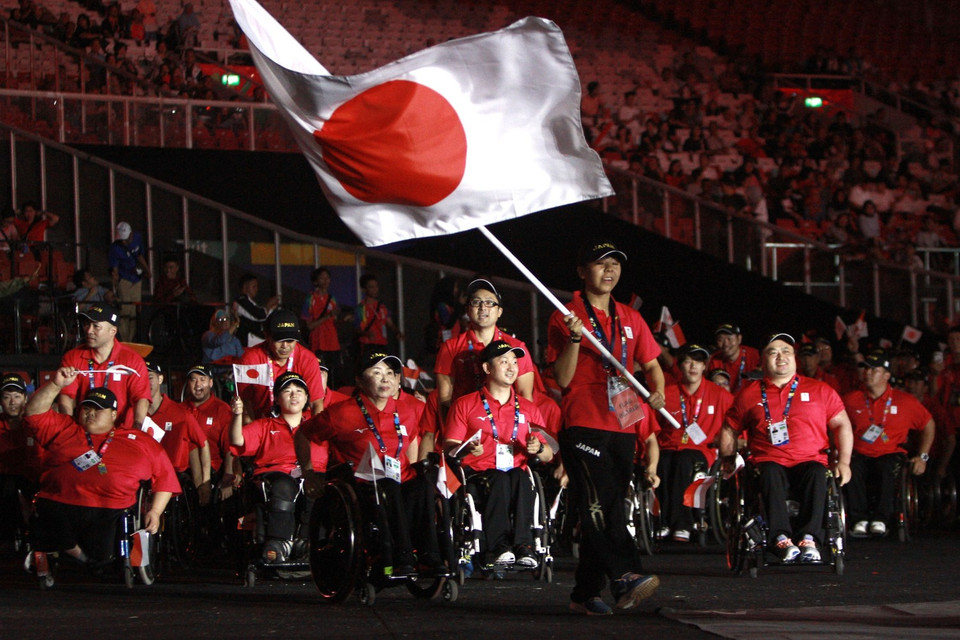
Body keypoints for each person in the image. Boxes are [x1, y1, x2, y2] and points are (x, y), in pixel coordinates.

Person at [547, 239, 664, 615]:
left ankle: (584, 594)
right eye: (600, 263)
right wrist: (577, 338)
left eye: (615, 263)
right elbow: (563, 378)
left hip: (624, 420)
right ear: (583, 272)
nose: (610, 270)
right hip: (584, 420)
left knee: (613, 505)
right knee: (597, 503)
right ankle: (625, 573)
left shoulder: (630, 316)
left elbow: (653, 365)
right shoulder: (565, 315)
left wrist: (658, 393)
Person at [296, 352, 439, 574]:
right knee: (388, 486)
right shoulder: (341, 413)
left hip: (400, 479)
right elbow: (303, 434)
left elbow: (411, 441)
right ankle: (400, 556)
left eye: (390, 373)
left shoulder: (409, 409)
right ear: (360, 381)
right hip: (361, 485)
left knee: (424, 484)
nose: (385, 379)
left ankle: (430, 554)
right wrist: (309, 472)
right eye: (376, 372)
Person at [719, 333, 853, 564]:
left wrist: (844, 462)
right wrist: (729, 458)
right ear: (762, 360)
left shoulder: (820, 390)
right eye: (773, 352)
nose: (781, 357)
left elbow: (842, 424)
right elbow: (729, 428)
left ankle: (809, 538)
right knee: (769, 471)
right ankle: (780, 538)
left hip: (809, 460)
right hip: (768, 461)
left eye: (786, 352)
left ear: (795, 359)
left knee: (817, 472)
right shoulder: (749, 393)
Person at [24, 375, 178, 568]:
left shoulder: (139, 440)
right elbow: (33, 412)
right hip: (59, 502)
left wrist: (155, 512)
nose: (90, 414)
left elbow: (165, 478)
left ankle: (74, 552)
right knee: (43, 509)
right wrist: (56, 384)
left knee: (102, 558)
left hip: (108, 509)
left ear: (114, 414)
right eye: (87, 409)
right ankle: (71, 550)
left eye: (98, 409)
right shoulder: (65, 429)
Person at [444, 341, 553, 568]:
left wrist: (539, 449)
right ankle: (499, 546)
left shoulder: (528, 408)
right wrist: (467, 448)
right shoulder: (465, 404)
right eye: (504, 362)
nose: (512, 367)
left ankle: (525, 546)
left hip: (517, 473)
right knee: (501, 479)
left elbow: (549, 455)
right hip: (479, 474)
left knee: (521, 477)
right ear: (487, 368)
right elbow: (450, 446)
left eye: (515, 362)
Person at [229, 372, 327, 564]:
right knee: (284, 485)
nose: (294, 395)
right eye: (288, 391)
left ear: (307, 397)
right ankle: (279, 542)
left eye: (299, 391)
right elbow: (236, 440)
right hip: (276, 475)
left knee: (319, 487)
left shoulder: (317, 425)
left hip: (311, 474)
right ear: (277, 398)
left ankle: (306, 541)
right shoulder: (265, 425)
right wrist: (237, 415)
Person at [842, 350, 934, 538]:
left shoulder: (905, 400)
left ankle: (881, 519)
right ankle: (859, 519)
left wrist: (922, 456)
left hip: (891, 453)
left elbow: (929, 426)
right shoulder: (851, 399)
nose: (868, 373)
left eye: (873, 370)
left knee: (888, 466)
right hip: (859, 452)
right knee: (851, 466)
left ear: (886, 375)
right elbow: (834, 425)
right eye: (865, 369)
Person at [434, 278, 536, 431]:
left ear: (499, 311)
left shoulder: (516, 347)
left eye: (489, 302)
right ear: (468, 310)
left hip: (507, 427)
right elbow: (445, 398)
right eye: (476, 302)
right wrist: (452, 441)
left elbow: (525, 394)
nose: (482, 307)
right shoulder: (451, 347)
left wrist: (526, 433)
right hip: (468, 428)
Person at [655, 344, 733, 542]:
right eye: (688, 361)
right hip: (668, 447)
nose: (693, 366)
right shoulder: (666, 392)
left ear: (704, 366)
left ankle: (682, 524)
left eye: (698, 361)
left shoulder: (719, 394)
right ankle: (663, 521)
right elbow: (652, 424)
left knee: (683, 462)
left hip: (701, 450)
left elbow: (737, 421)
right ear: (680, 365)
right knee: (662, 462)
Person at [57, 304, 150, 431]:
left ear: (113, 331)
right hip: (84, 431)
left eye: (96, 326)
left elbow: (141, 398)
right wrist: (69, 428)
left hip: (121, 433)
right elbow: (66, 396)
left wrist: (137, 428)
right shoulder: (73, 357)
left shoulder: (132, 360)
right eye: (87, 324)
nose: (89, 330)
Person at [235, 308, 324, 421]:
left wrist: (314, 434)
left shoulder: (308, 359)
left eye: (290, 340)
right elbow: (244, 403)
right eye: (279, 340)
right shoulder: (250, 359)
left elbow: (316, 403)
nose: (285, 346)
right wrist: (253, 434)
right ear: (267, 336)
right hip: (262, 426)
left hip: (299, 427)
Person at [145, 361, 211, 506]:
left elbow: (202, 443)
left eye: (149, 377)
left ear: (160, 379)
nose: (145, 381)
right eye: (141, 377)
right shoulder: (134, 414)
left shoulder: (180, 413)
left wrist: (205, 482)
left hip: (174, 480)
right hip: (144, 478)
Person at [0, 373, 42, 546]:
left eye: (17, 396)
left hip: (31, 480)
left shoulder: (35, 424)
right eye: (7, 397)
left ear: (25, 398)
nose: (12, 402)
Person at [181, 364, 233, 490]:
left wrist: (228, 475)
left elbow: (229, 448)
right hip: (182, 471)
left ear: (210, 383)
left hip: (212, 472)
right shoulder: (179, 409)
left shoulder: (221, 409)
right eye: (193, 380)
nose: (198, 384)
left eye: (202, 380)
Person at [108, 221, 151, 341]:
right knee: (125, 310)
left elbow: (140, 255)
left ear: (131, 234)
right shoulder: (115, 248)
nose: (123, 241)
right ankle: (125, 340)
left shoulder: (137, 238)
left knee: (135, 311)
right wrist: (115, 285)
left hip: (137, 279)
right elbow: (115, 269)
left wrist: (147, 270)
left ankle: (131, 340)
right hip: (125, 280)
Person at [301, 267, 342, 387]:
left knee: (334, 375)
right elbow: (309, 325)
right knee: (320, 374)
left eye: (327, 278)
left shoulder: (332, 298)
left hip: (333, 342)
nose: (325, 280)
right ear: (315, 281)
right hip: (318, 342)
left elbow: (335, 321)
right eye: (322, 278)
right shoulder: (310, 299)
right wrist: (328, 316)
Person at [355, 273, 403, 363]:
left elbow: (390, 323)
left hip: (382, 344)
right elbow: (356, 329)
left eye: (376, 286)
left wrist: (397, 332)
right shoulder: (361, 308)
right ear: (364, 289)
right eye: (371, 287)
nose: (375, 289)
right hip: (367, 344)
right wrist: (366, 333)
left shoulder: (382, 307)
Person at [708, 323, 760, 393]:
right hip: (724, 401)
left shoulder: (755, 356)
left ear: (739, 339)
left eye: (729, 339)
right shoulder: (714, 359)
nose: (725, 344)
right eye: (720, 339)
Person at [232, 273, 278, 348]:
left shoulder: (250, 302)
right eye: (254, 286)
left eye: (257, 286)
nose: (256, 289)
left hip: (255, 338)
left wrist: (270, 309)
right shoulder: (241, 300)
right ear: (245, 288)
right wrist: (268, 306)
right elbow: (258, 316)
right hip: (248, 339)